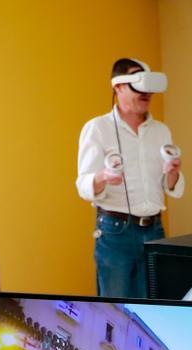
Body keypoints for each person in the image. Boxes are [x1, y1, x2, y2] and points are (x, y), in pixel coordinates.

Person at [76, 58, 185, 298]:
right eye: (138, 83)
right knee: (116, 303)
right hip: (115, 233)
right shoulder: (97, 129)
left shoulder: (161, 131)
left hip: (154, 230)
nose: (146, 92)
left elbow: (170, 186)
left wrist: (173, 173)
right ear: (118, 87)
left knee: (158, 301)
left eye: (149, 86)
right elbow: (83, 185)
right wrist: (103, 177)